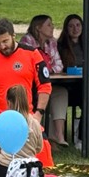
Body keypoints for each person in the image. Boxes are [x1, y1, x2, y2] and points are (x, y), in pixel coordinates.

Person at [0, 18, 52, 166]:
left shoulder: (32, 54)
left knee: (44, 166)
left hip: (26, 118)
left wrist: (38, 115)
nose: (2, 46)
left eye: (5, 41)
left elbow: (45, 86)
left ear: (13, 35)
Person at [0, 85, 43, 177]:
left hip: (7, 167)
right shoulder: (35, 123)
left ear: (8, 102)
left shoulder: (3, 121)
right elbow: (39, 147)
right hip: (29, 168)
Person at [20, 15, 67, 146]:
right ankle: (39, 136)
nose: (52, 27)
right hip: (31, 86)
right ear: (38, 28)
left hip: (48, 83)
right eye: (49, 25)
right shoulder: (27, 41)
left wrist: (45, 69)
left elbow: (59, 65)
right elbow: (29, 66)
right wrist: (46, 68)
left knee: (61, 92)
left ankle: (59, 135)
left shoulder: (51, 42)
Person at [56, 14, 89, 149]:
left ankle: (84, 135)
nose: (75, 29)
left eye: (78, 25)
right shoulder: (61, 46)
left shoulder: (87, 46)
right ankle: (84, 135)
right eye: (71, 26)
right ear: (66, 28)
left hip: (86, 86)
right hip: (68, 88)